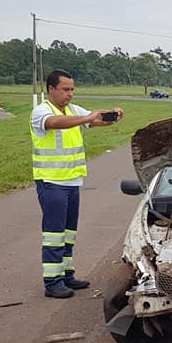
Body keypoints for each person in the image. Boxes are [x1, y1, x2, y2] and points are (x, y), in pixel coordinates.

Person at [30, 69, 123, 298]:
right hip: (51, 182)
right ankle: (52, 282)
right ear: (51, 89)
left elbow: (94, 121)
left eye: (72, 89)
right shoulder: (42, 111)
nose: (70, 94)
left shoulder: (73, 109)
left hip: (72, 182)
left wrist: (112, 117)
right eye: (65, 89)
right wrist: (88, 118)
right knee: (54, 233)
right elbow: (54, 123)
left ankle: (67, 274)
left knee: (69, 233)